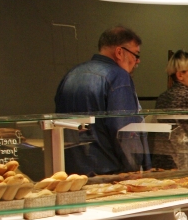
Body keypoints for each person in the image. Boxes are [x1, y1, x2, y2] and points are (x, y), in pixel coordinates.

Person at [55, 26, 150, 175]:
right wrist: (135, 170)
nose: (137, 61)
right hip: (108, 173)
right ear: (119, 52)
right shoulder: (119, 77)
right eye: (135, 55)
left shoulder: (71, 74)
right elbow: (124, 132)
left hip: (70, 172)